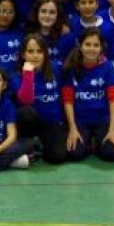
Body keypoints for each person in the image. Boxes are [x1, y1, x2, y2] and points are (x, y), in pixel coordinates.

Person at [60, 28, 114, 163]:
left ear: (101, 47)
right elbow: (68, 101)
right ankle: (89, 144)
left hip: (102, 119)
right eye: (88, 44)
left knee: (112, 154)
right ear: (80, 45)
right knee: (73, 154)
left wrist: (113, 129)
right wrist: (72, 129)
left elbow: (113, 100)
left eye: (96, 45)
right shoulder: (71, 67)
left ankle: (96, 143)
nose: (91, 49)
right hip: (80, 120)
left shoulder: (108, 67)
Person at [13, 34, 66, 162]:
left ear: (45, 54)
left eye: (39, 51)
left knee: (57, 157)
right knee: (26, 112)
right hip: (30, 122)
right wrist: (28, 75)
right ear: (23, 54)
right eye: (30, 51)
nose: (35, 55)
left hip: (52, 122)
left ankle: (40, 146)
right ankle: (30, 142)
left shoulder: (56, 69)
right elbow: (26, 101)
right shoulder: (16, 76)